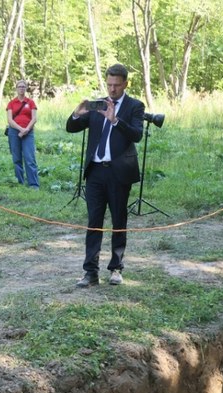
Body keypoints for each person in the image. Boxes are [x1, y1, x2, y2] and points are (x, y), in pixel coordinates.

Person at [66, 64, 144, 287]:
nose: (112, 89)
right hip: (96, 172)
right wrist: (76, 113)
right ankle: (90, 272)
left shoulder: (134, 106)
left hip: (119, 173)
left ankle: (116, 268)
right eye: (109, 85)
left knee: (119, 220)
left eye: (116, 85)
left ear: (125, 84)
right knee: (94, 222)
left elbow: (137, 134)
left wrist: (115, 120)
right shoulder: (97, 105)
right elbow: (71, 128)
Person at [6, 79, 39, 188]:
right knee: (17, 158)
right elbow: (10, 120)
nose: (21, 88)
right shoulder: (11, 103)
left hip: (28, 132)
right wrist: (20, 129)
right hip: (14, 132)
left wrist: (26, 130)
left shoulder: (31, 102)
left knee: (30, 158)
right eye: (19, 86)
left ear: (26, 89)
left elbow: (34, 118)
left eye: (23, 87)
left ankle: (33, 184)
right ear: (16, 88)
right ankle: (20, 182)